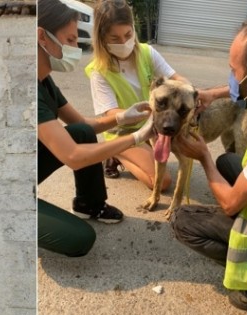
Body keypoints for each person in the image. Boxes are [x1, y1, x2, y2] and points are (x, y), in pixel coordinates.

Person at [170, 14, 247, 311]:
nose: (230, 77)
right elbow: (239, 89)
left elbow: (228, 204)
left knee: (183, 220)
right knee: (229, 161)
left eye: (232, 70)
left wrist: (202, 155)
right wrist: (213, 93)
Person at [38, 0, 154, 257]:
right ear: (41, 37)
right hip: (3, 190)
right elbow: (73, 156)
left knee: (83, 134)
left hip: (23, 168)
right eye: (69, 39)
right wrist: (136, 137)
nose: (75, 48)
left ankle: (89, 204)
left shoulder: (44, 81)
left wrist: (122, 117)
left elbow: (84, 124)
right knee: (80, 239)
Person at [85, 0, 189, 189]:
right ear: (102, 38)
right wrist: (127, 116)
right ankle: (115, 153)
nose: (124, 42)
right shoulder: (99, 71)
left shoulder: (147, 53)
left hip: (150, 125)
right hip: (122, 131)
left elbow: (176, 78)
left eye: (128, 34)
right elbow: (110, 113)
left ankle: (134, 151)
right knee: (162, 183)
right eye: (115, 38)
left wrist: (190, 91)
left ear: (133, 28)